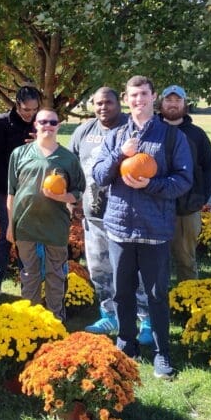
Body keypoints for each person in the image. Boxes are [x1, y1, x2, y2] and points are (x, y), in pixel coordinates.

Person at [92, 75, 192, 379]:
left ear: (153, 97)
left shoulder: (172, 137)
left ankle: (163, 353)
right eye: (133, 95)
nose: (139, 100)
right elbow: (98, 175)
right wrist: (120, 155)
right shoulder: (116, 135)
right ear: (127, 98)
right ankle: (127, 343)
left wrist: (151, 184)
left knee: (156, 294)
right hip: (119, 228)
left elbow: (183, 180)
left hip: (155, 230)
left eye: (144, 95)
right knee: (122, 292)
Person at [69, 87, 146, 337]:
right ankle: (109, 315)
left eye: (109, 103)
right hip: (93, 216)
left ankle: (145, 319)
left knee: (135, 271)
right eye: (98, 103)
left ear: (119, 103)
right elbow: (72, 168)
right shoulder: (84, 132)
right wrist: (72, 199)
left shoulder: (131, 129)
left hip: (126, 218)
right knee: (100, 271)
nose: (103, 107)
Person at [7, 108, 84, 321]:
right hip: (25, 223)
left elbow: (78, 192)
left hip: (55, 225)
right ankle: (31, 318)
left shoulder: (68, 158)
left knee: (55, 273)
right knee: (29, 274)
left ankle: (55, 316)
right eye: (43, 122)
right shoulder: (19, 154)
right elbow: (11, 193)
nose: (47, 126)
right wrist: (10, 225)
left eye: (52, 122)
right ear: (35, 125)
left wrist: (62, 198)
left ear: (58, 125)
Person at [0, 85, 41, 297]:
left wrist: (40, 143)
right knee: (8, 233)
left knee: (30, 233)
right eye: (26, 109)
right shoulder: (0, 124)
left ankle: (30, 281)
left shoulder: (39, 124)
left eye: (34, 110)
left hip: (34, 188)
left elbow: (51, 155)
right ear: (17, 104)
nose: (30, 114)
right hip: (6, 188)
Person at [160, 85, 211, 283]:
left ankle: (187, 299)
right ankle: (159, 301)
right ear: (161, 103)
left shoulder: (197, 135)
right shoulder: (151, 129)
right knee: (156, 260)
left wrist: (201, 197)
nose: (173, 104)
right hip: (155, 207)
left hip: (187, 208)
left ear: (185, 104)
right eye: (169, 100)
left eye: (178, 100)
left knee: (186, 259)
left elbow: (209, 167)